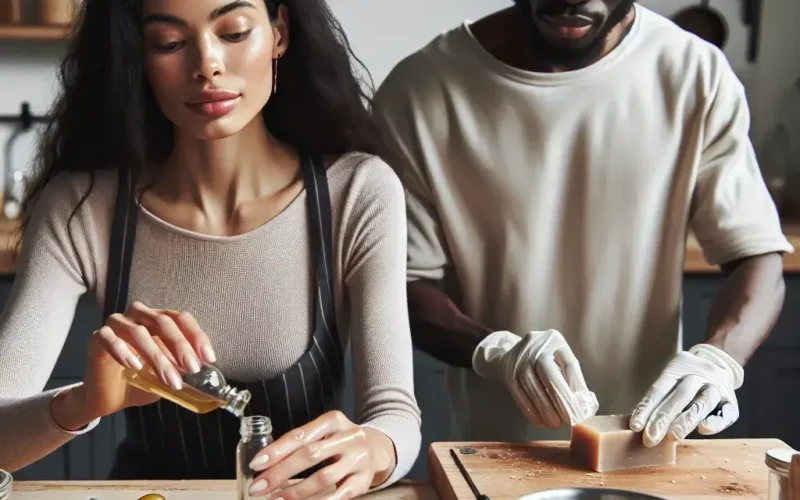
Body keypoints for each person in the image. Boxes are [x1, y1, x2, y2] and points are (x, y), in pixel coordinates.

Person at [0, 0, 421, 497]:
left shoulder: (357, 191)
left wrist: (373, 448)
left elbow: (395, 415)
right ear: (137, 58)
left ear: (279, 33)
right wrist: (85, 401)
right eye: (170, 43)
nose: (208, 65)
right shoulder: (82, 206)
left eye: (235, 32)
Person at [373, 0, 792, 446]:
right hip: (495, 450)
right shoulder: (420, 91)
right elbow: (404, 283)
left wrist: (718, 360)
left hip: (649, 444)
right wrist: (494, 350)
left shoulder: (695, 73)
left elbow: (756, 255)